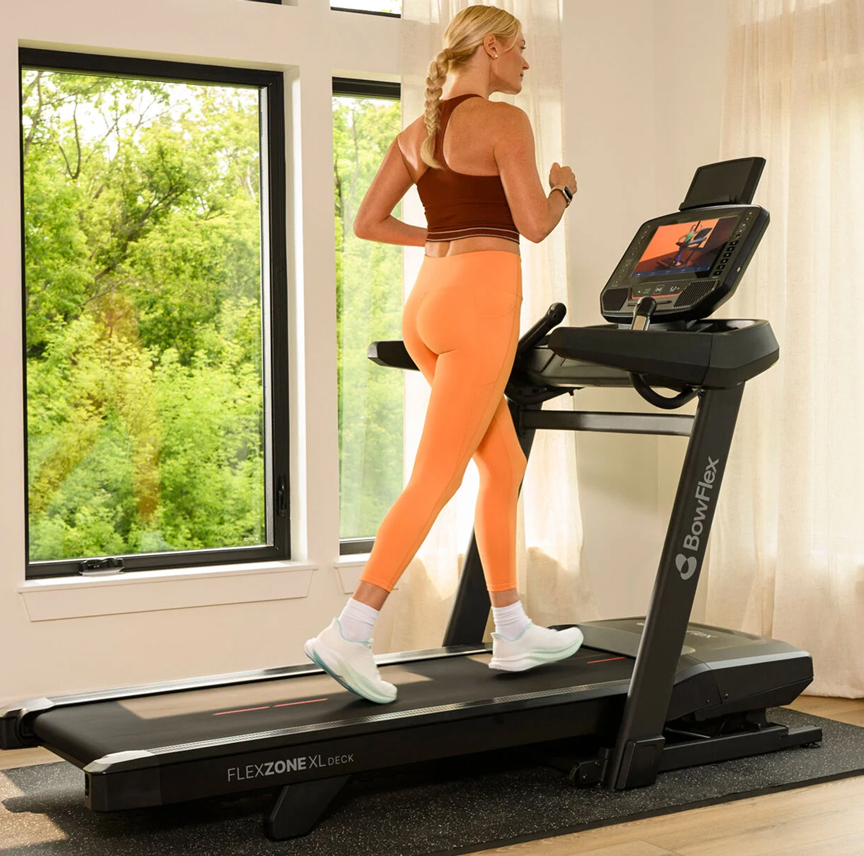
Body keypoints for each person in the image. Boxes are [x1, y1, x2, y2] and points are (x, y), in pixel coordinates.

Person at [304, 5, 582, 704]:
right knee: (438, 477)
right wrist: (565, 186)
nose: (525, 61)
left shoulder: (417, 131)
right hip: (481, 304)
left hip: (429, 304)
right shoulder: (506, 122)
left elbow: (369, 223)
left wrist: (436, 242)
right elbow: (535, 224)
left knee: (503, 463)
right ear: (490, 48)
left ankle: (513, 626)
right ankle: (352, 627)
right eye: (520, 49)